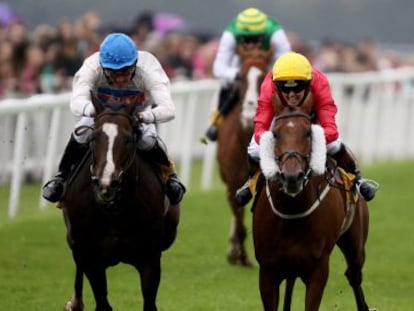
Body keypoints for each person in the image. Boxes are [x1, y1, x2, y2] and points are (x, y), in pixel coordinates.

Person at [42, 33, 186, 205]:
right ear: (103, 67)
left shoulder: (148, 67)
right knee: (82, 133)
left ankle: (170, 177)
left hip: (136, 114)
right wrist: (93, 111)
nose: (120, 79)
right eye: (113, 72)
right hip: (101, 114)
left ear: (134, 64)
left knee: (147, 139)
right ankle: (61, 177)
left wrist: (143, 117)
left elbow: (169, 109)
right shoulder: (92, 66)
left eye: (125, 71)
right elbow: (76, 102)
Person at [235, 51, 378, 206]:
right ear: (276, 86)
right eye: (285, 89)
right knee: (254, 149)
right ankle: (252, 182)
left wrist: (312, 137)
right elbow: (260, 126)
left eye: (298, 88)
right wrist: (272, 140)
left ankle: (357, 180)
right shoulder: (269, 85)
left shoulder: (319, 82)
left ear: (308, 84)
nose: (291, 94)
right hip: (280, 120)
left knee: (334, 145)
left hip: (311, 119)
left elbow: (331, 129)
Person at [204, 7, 291, 141]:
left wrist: (268, 76)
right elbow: (219, 69)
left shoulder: (276, 33)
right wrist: (241, 75)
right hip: (239, 67)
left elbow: (286, 64)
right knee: (226, 85)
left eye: (257, 39)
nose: (252, 44)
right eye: (247, 39)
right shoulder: (230, 34)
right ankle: (216, 122)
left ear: (264, 34)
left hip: (268, 68)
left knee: (288, 88)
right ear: (239, 35)